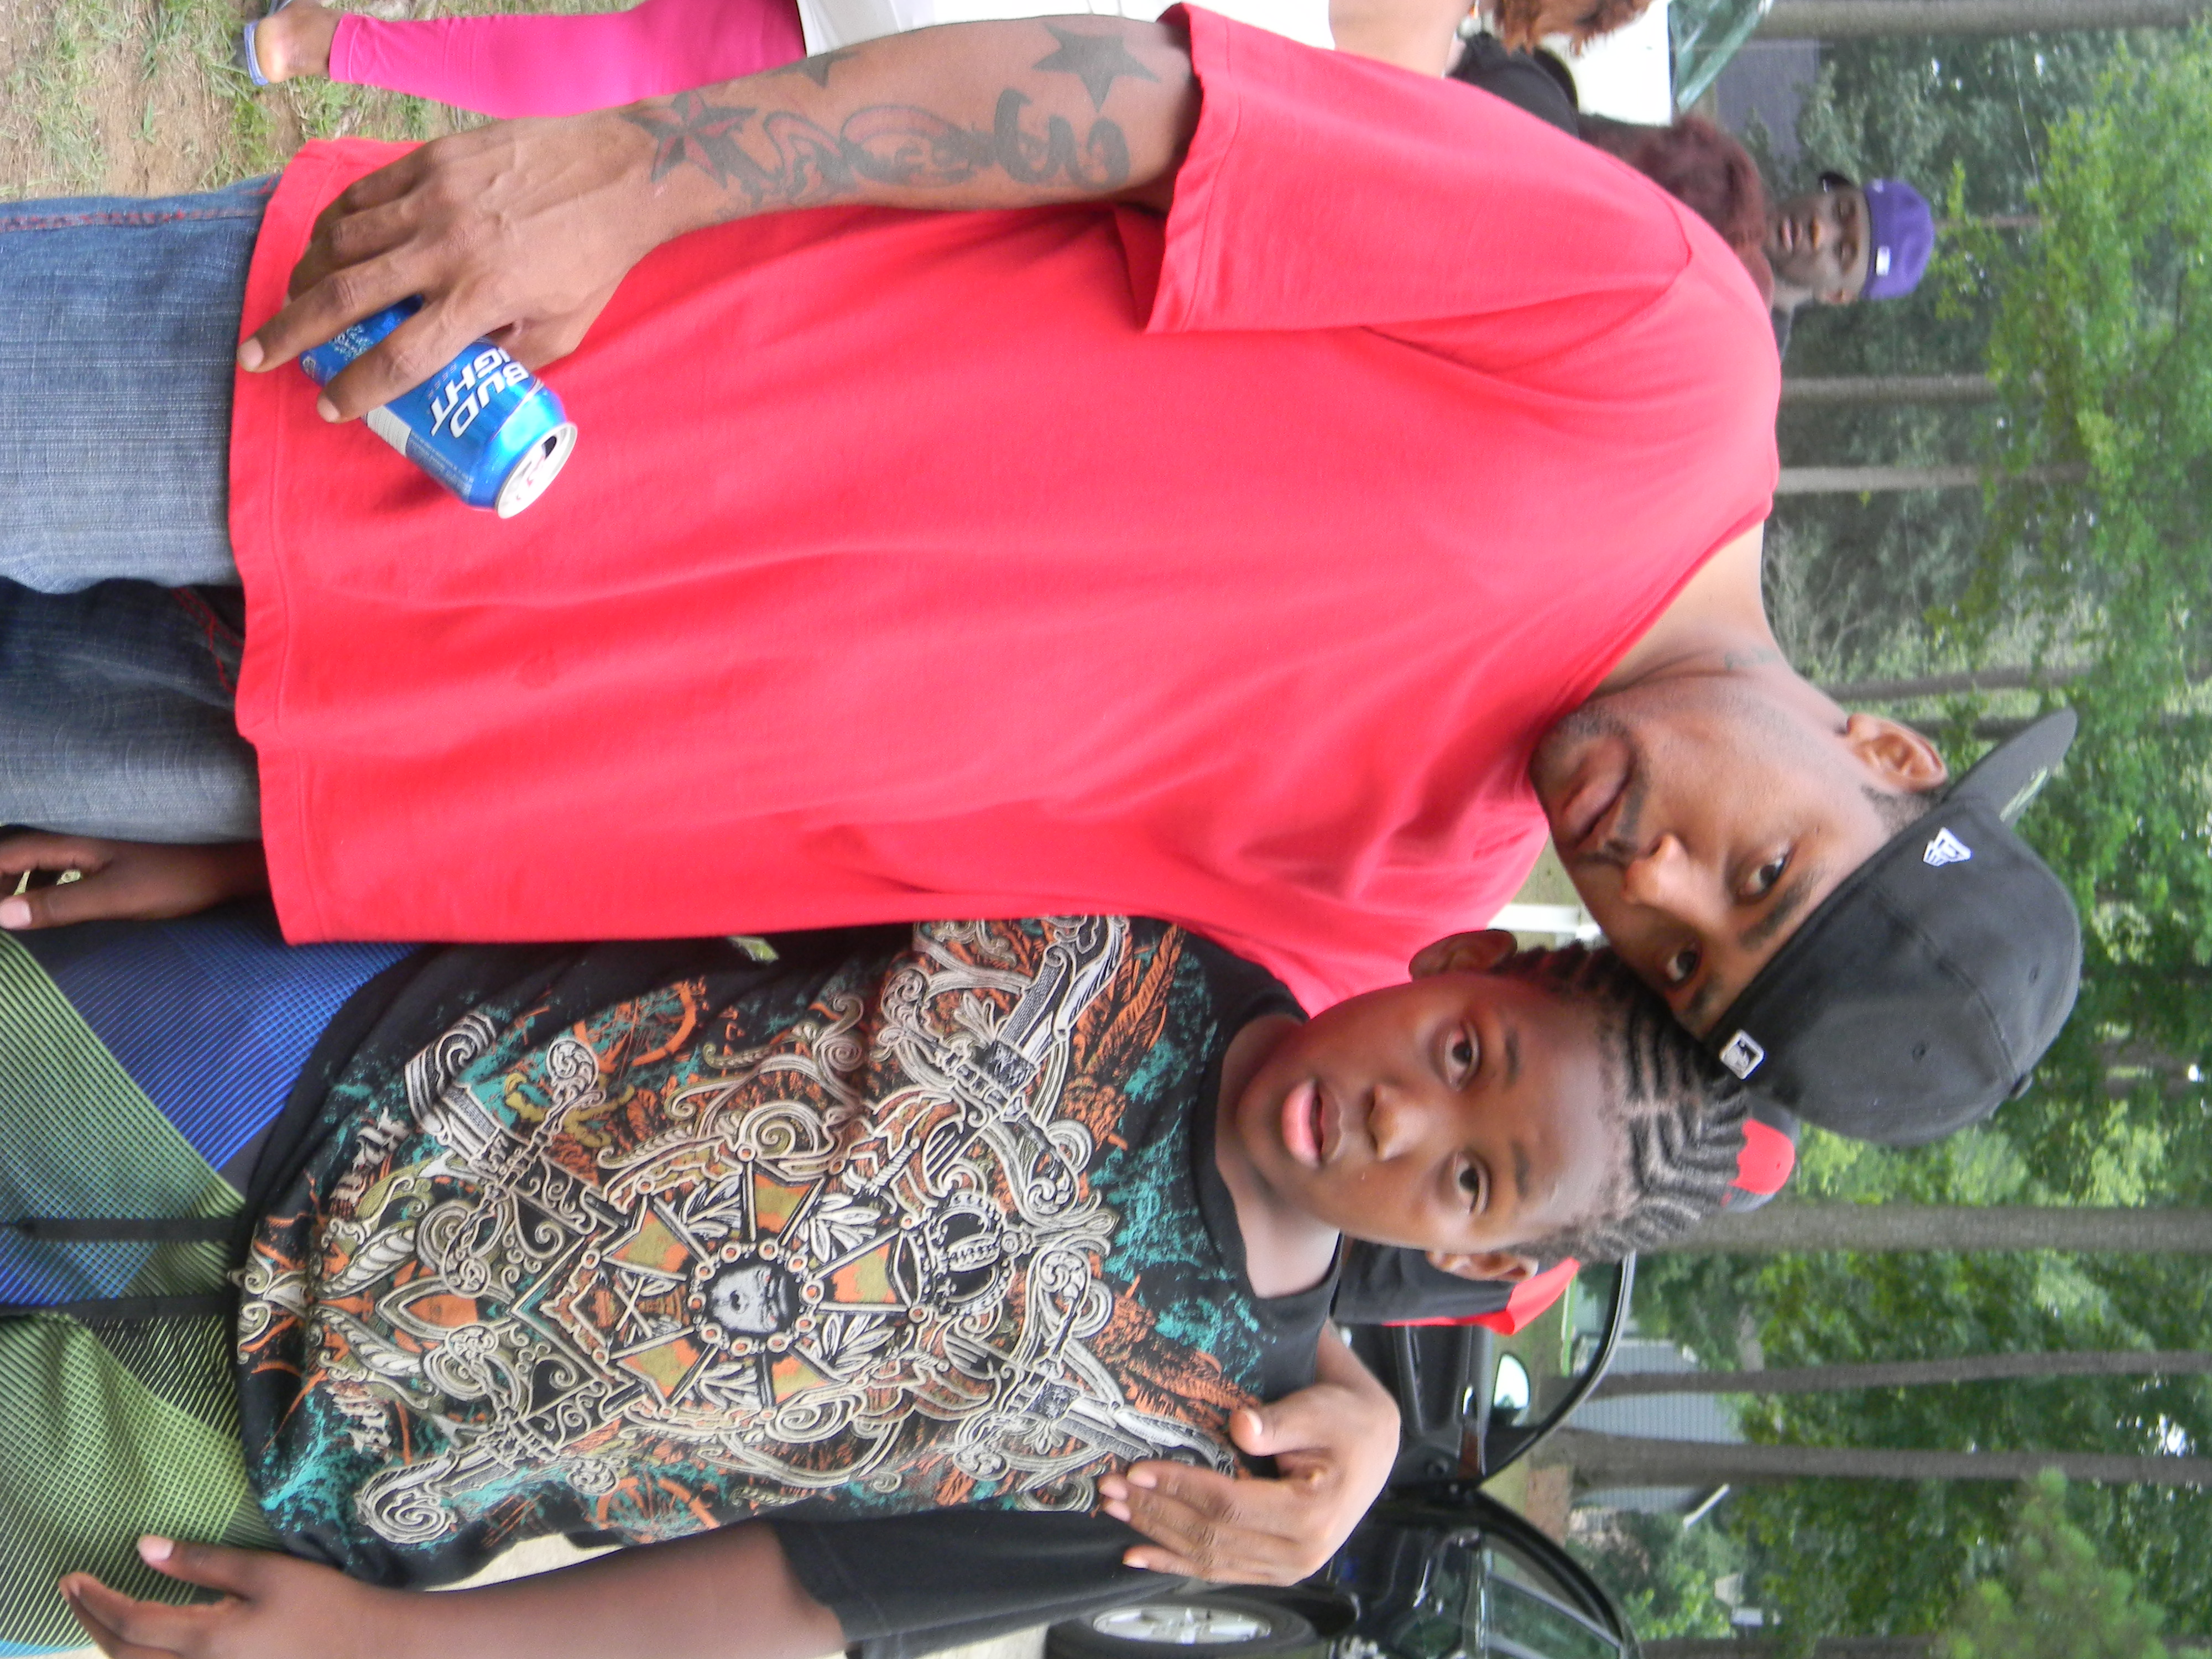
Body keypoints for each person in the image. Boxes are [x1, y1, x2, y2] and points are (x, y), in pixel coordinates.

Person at [0, 12, 2078, 1148]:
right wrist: (631, 173)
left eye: (1679, 958)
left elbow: (1257, 1165)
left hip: (353, 770)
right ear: (1883, 749)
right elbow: (1138, 105)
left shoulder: (1390, 906)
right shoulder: (1663, 362)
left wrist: (1350, 1441)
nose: (1655, 879)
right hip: (449, 383)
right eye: (1761, 868)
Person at [2, 881, 1747, 1652]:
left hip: (293, 1472)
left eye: (1466, 1174)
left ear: (1473, 1257)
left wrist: (391, 1653)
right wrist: (275, 856)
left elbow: (796, 1594)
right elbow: (703, 830)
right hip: (302, 1061)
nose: (1394, 1118)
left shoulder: (1209, 1467)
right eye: (1463, 1051)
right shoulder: (1140, 914)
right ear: (1463, 957)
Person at [1764, 170, 1934, 354]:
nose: (1819, 230)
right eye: (1841, 211)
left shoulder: (1757, 351)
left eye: (1842, 253)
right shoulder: (1742, 180)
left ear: (1836, 295)